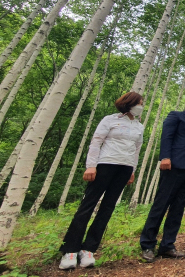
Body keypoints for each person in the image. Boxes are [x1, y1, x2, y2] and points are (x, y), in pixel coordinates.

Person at [59, 92, 144, 270]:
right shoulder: (110, 119)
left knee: (108, 207)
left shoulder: (139, 126)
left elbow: (136, 150)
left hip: (125, 168)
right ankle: (70, 250)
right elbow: (96, 141)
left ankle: (88, 249)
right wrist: (91, 166)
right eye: (139, 103)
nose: (141, 106)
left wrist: (132, 171)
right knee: (87, 206)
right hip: (105, 164)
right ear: (129, 103)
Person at [140, 93, 185, 262]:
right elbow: (167, 136)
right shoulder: (176, 116)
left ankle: (167, 245)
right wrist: (165, 157)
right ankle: (147, 245)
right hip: (174, 165)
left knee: (178, 208)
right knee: (161, 205)